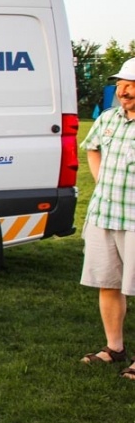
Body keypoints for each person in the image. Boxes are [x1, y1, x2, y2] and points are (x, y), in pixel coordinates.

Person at [80, 57, 135, 380]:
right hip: (104, 214)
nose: (123, 91)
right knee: (108, 284)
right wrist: (100, 178)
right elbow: (92, 147)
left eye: (130, 85)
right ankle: (115, 348)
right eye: (120, 84)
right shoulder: (108, 119)